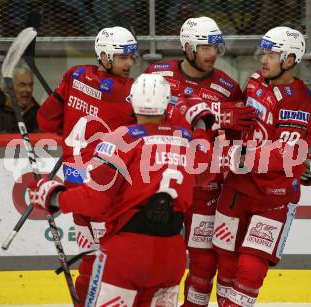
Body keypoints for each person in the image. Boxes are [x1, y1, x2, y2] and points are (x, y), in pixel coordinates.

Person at [29, 74, 215, 307]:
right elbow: (206, 173)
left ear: (132, 102)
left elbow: (95, 201)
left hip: (127, 253)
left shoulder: (120, 140)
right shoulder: (186, 139)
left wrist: (55, 197)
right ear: (167, 104)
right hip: (170, 256)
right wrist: (200, 126)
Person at [145, 16, 255, 307]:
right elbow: (142, 115)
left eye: (216, 47)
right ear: (188, 47)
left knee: (203, 258)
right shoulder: (156, 74)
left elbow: (242, 136)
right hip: (158, 180)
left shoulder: (228, 87)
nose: (212, 54)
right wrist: (215, 114)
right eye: (205, 47)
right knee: (154, 254)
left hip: (204, 183)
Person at [212, 26, 311, 306]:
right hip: (236, 188)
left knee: (250, 268)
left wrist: (236, 156)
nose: (263, 59)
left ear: (291, 59)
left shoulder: (297, 100)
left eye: (272, 54)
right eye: (264, 52)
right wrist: (226, 121)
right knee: (226, 260)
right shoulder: (257, 80)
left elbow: (285, 154)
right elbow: (245, 122)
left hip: (271, 196)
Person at [37, 26, 138, 303]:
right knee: (115, 261)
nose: (129, 63)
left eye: (131, 56)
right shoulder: (129, 92)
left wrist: (73, 109)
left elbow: (46, 120)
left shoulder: (74, 75)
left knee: (91, 259)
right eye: (122, 57)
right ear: (104, 55)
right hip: (106, 189)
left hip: (76, 185)